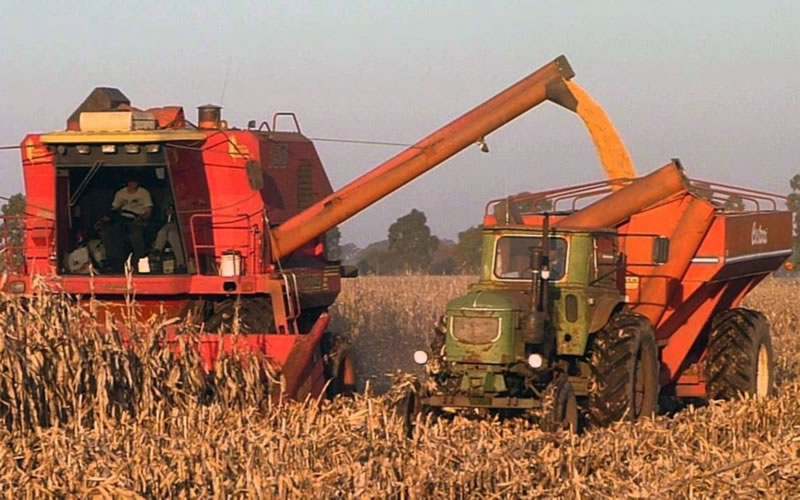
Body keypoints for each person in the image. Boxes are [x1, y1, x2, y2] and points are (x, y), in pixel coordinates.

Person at [98, 173, 153, 272]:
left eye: (135, 182)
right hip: (122, 219)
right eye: (131, 181)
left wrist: (141, 218)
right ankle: (114, 260)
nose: (133, 184)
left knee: (136, 235)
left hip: (138, 220)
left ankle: (138, 260)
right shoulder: (120, 193)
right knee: (108, 232)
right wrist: (104, 219)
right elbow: (114, 209)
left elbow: (148, 212)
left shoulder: (144, 193)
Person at [153, 203, 186, 271]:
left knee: (169, 233)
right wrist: (166, 213)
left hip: (184, 222)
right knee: (170, 234)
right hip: (173, 223)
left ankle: (157, 249)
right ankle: (181, 264)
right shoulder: (168, 200)